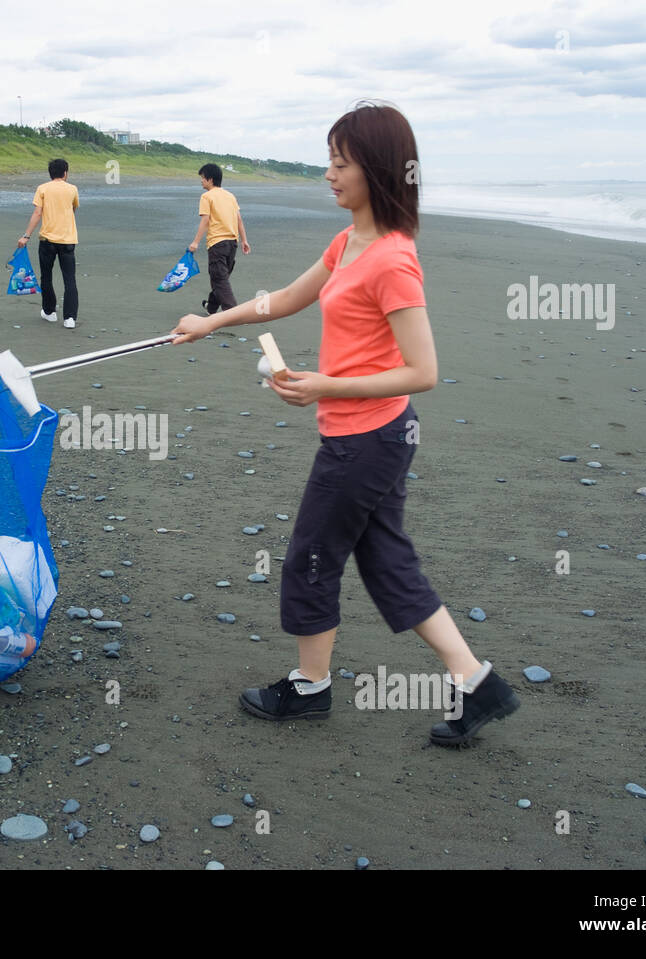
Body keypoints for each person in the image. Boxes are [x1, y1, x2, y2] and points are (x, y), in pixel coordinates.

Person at [172, 102, 519, 746]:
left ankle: (310, 687)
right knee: (387, 561)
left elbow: (424, 370)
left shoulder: (392, 259)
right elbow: (283, 299)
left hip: (366, 439)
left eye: (341, 162)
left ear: (378, 170)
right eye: (328, 160)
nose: (328, 173)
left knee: (310, 555)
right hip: (372, 435)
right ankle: (477, 682)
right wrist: (211, 321)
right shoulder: (347, 242)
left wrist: (325, 386)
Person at [18, 158, 80, 328]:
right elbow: (73, 209)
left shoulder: (43, 188)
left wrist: (26, 236)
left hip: (47, 240)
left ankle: (49, 312)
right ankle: (70, 319)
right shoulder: (72, 189)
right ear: (65, 173)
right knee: (70, 279)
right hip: (68, 240)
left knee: (46, 277)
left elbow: (37, 213)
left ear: (50, 173)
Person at [189, 163, 250, 315]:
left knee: (219, 280)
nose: (201, 181)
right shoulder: (230, 196)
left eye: (203, 178)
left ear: (210, 179)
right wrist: (244, 240)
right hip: (232, 244)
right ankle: (211, 307)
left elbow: (205, 220)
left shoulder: (206, 197)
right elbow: (239, 220)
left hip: (217, 244)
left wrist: (195, 242)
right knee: (221, 277)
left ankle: (232, 313)